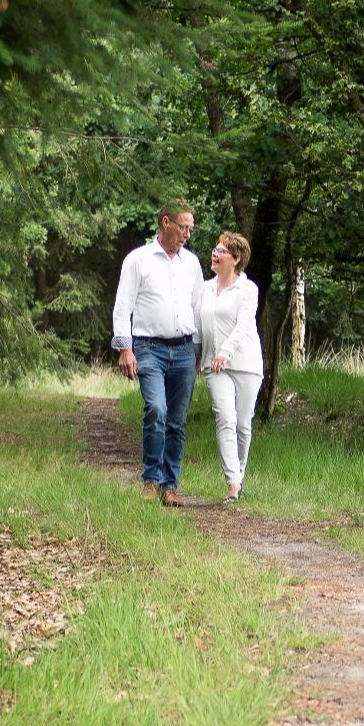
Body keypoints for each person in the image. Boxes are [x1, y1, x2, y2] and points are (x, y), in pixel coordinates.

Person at [111, 200, 204, 507]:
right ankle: (151, 478)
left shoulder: (191, 263)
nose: (187, 234)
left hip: (184, 348)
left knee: (177, 420)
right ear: (166, 223)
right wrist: (125, 349)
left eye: (190, 228)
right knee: (156, 410)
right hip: (148, 347)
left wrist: (199, 350)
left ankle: (170, 484)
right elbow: (123, 305)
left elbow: (198, 308)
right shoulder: (138, 260)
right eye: (183, 227)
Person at [199, 231, 263, 504]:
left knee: (242, 424)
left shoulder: (247, 289)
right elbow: (197, 326)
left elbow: (244, 325)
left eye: (222, 251)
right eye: (215, 249)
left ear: (235, 259)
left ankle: (240, 475)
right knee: (225, 419)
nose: (215, 254)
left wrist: (225, 352)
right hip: (214, 366)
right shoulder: (204, 289)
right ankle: (233, 484)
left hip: (246, 364)